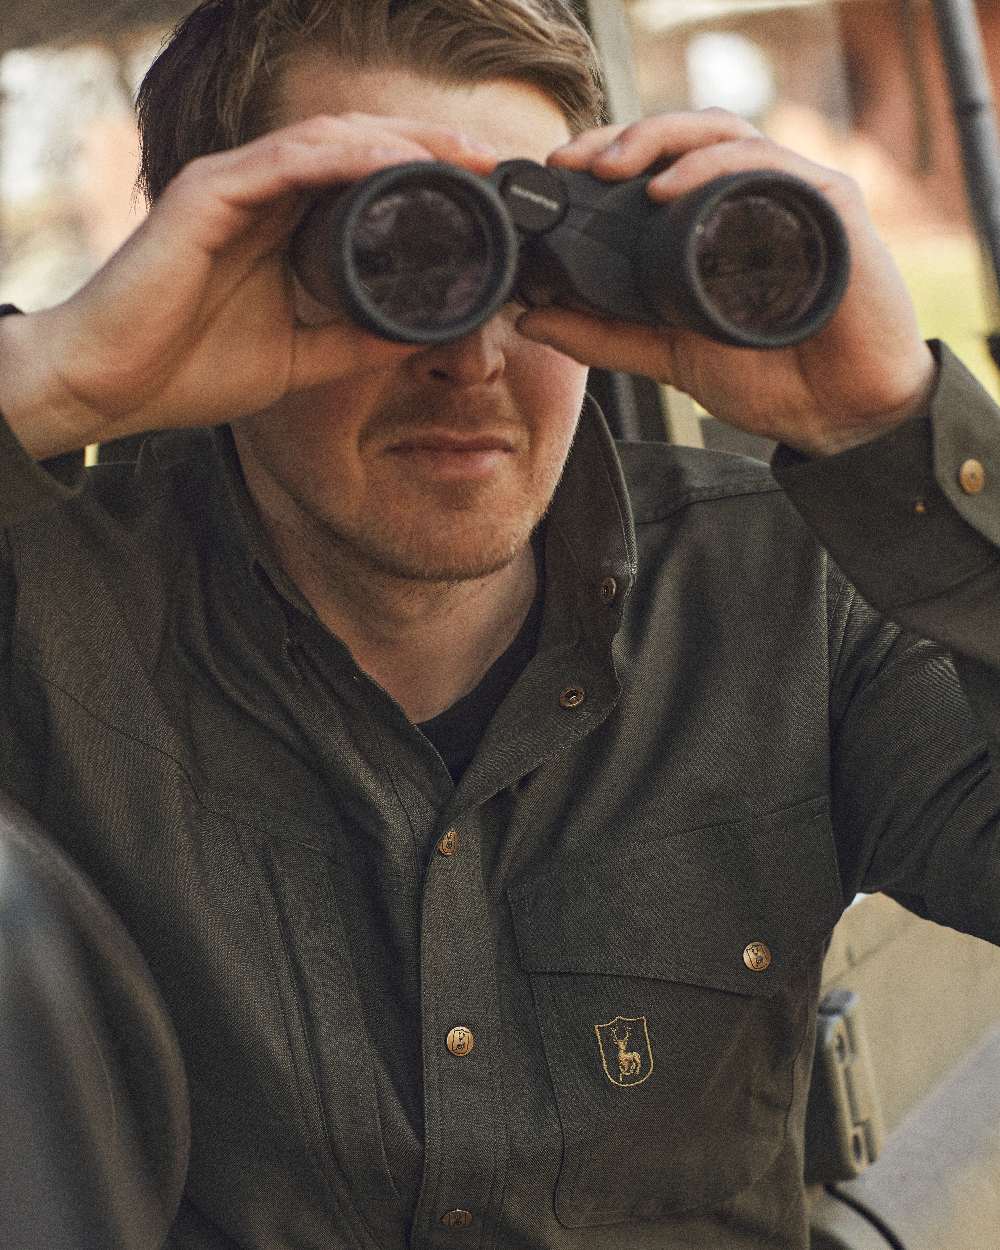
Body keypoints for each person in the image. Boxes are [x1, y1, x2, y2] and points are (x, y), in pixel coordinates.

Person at [0, 1, 998, 1246]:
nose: (466, 353)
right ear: (216, 260)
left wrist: (894, 433)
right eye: (402, 259)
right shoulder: (48, 613)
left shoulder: (789, 589)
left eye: (523, 269)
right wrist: (51, 376)